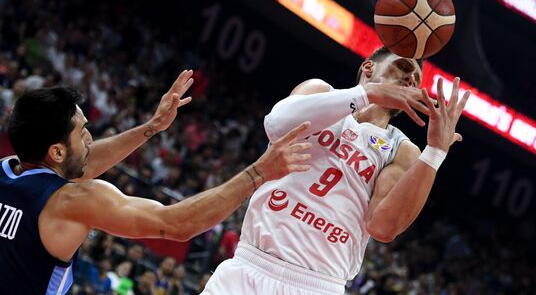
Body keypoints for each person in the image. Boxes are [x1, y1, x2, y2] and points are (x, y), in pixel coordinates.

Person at [0, 70, 312, 294]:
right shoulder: (70, 201)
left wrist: (151, 127)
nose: (90, 138)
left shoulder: (7, 169)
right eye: (82, 133)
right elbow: (177, 224)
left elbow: (78, 162)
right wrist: (258, 172)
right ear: (56, 151)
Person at [202, 47, 471, 295]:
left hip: (318, 284)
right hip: (250, 265)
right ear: (368, 69)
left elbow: (383, 227)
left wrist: (435, 152)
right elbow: (276, 124)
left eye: (415, 78)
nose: (411, 78)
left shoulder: (401, 150)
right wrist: (369, 94)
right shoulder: (319, 91)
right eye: (403, 66)